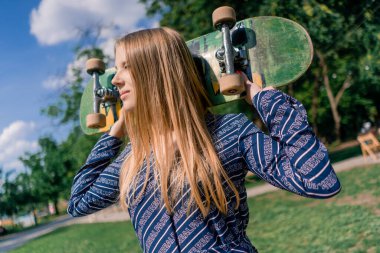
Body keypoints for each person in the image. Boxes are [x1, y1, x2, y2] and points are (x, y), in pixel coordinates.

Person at [67, 27, 341, 253]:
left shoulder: (229, 133)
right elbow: (78, 202)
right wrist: (115, 131)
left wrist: (264, 99)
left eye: (126, 67)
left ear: (158, 72)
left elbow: (318, 181)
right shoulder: (135, 158)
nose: (115, 79)